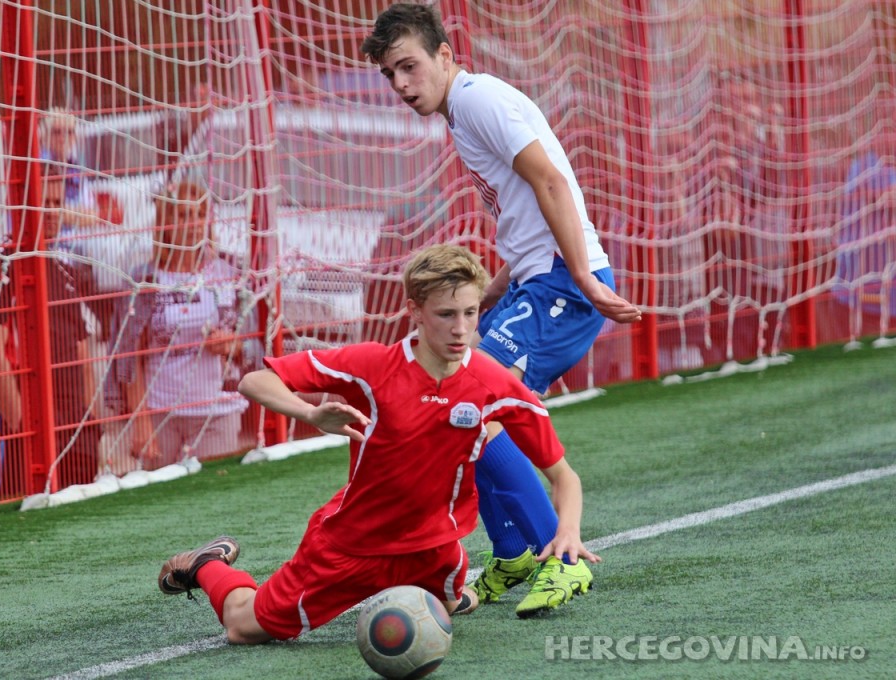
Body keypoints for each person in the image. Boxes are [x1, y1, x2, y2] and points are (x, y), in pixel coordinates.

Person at [157, 244, 599, 641]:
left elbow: (564, 476)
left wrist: (568, 531)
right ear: (415, 311)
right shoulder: (372, 366)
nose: (461, 329)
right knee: (243, 628)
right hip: (352, 546)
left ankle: (443, 594)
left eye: (470, 313)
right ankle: (206, 564)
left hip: (434, 553)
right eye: (446, 315)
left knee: (446, 608)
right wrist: (310, 413)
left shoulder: (492, 383)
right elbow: (256, 380)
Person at [360, 3, 640, 616]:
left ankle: (560, 559)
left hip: (561, 287)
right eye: (390, 75)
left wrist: (588, 282)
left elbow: (552, 184)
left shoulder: (481, 99)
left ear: (445, 55)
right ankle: (512, 554)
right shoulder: (461, 113)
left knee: (470, 403)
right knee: (461, 412)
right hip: (538, 283)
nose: (402, 85)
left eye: (409, 67)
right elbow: (529, 207)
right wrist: (496, 288)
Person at [0, 164, 102, 495]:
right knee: (10, 525)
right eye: (42, 203)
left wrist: (90, 421)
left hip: (73, 429)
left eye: (56, 203)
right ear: (19, 205)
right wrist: (26, 429)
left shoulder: (64, 269)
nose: (51, 212)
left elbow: (83, 354)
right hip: (18, 432)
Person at [112, 180, 247, 469]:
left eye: (199, 214)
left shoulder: (229, 273)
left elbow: (252, 342)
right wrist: (141, 421)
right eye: (183, 216)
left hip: (218, 408)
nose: (194, 224)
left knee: (216, 494)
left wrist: (230, 344)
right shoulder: (145, 279)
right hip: (162, 411)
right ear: (165, 223)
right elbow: (129, 356)